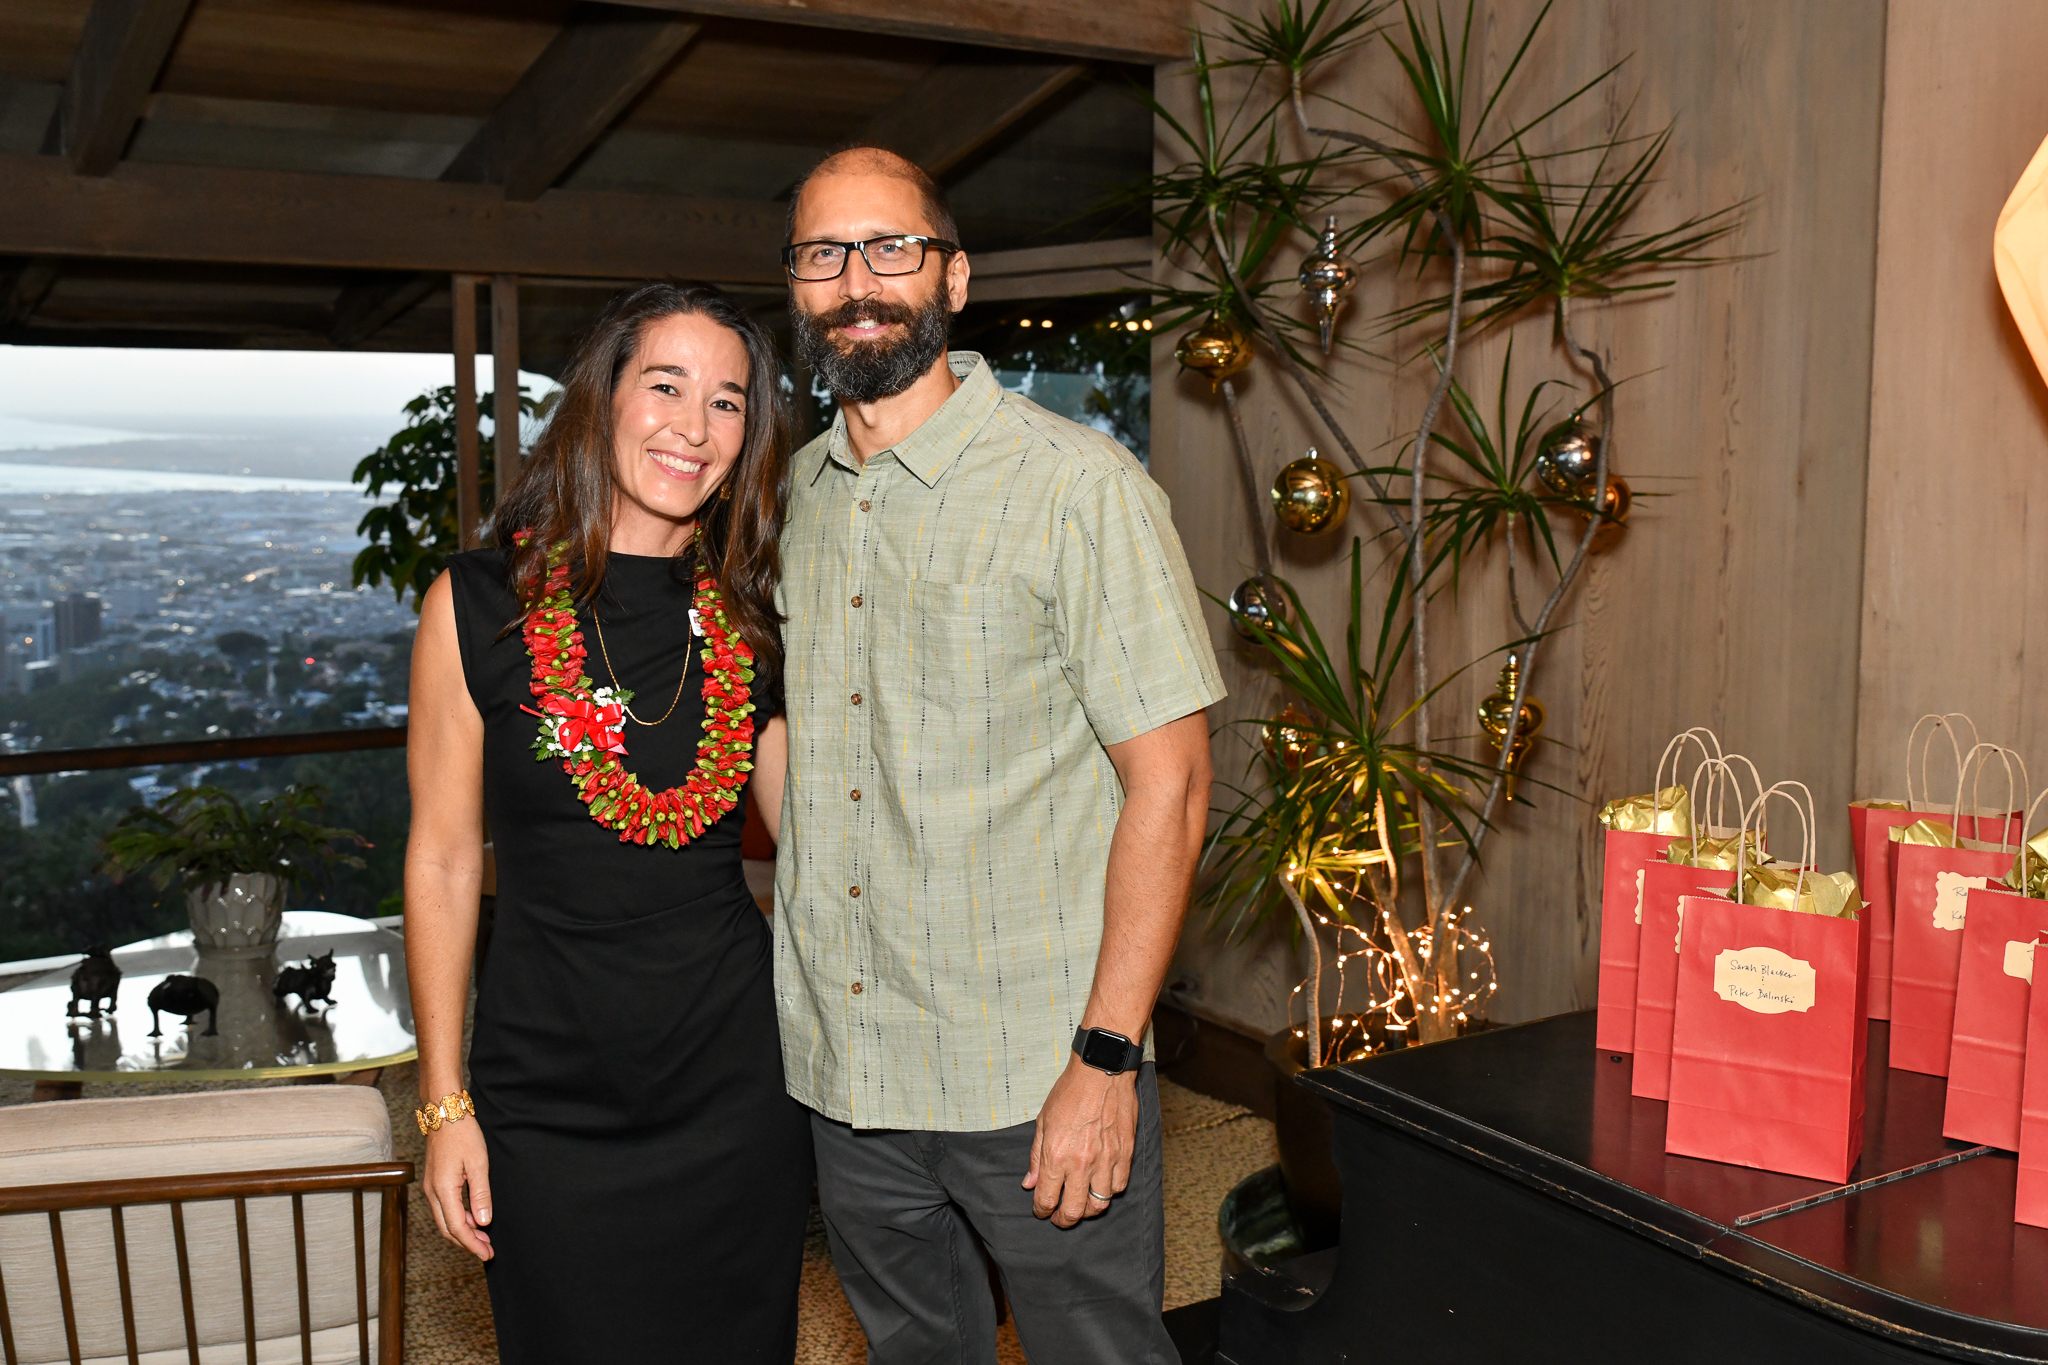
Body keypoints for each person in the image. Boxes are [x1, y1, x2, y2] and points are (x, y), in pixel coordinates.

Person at [776, 147, 1225, 1363]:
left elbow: (1171, 788)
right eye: (822, 254)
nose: (855, 280)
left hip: (1031, 1072)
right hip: (849, 1071)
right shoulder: (800, 497)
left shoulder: (1076, 487)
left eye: (890, 249)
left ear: (953, 277)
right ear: (796, 288)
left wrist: (1104, 1060)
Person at [403, 282, 811, 1362]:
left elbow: (820, 852)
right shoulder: (476, 603)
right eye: (665, 386)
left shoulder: (753, 617)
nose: (693, 425)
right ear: (602, 400)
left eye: (728, 402)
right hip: (548, 1096)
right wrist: (445, 1107)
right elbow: (442, 860)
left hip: (735, 1084)